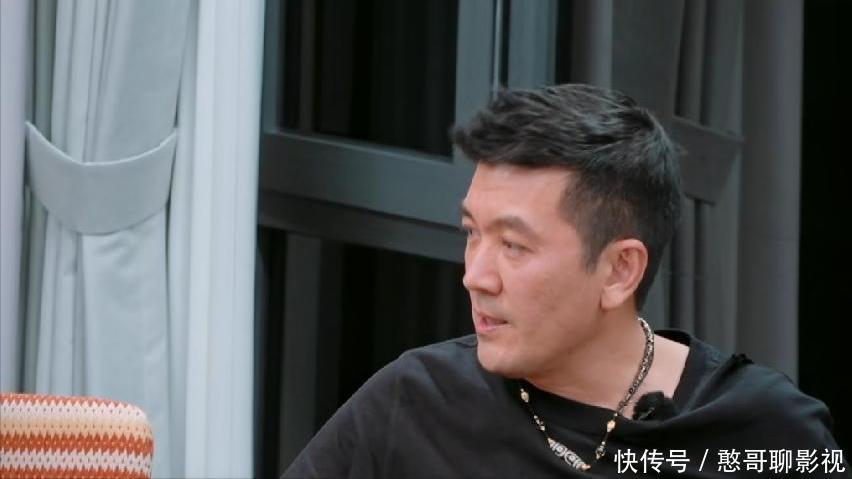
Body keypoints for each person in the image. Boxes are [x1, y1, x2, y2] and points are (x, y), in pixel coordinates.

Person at [283, 84, 848, 478]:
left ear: (620, 270)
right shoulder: (414, 403)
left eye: (513, 245)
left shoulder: (767, 435)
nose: (475, 276)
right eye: (472, 233)